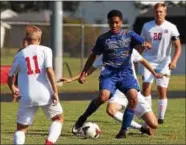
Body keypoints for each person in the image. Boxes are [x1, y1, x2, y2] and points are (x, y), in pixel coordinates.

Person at [72, 9, 158, 139]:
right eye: (111, 23)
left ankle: (123, 132)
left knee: (133, 97)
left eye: (117, 22)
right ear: (108, 23)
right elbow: (93, 56)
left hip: (126, 73)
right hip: (109, 73)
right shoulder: (103, 39)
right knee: (102, 97)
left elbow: (142, 42)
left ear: (121, 22)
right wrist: (84, 73)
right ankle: (83, 117)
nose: (114, 25)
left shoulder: (129, 35)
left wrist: (145, 44)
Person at [58, 49, 159, 136]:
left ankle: (137, 118)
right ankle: (141, 128)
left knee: (154, 124)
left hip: (132, 91)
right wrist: (72, 79)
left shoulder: (130, 50)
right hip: (117, 92)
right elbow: (89, 70)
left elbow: (143, 60)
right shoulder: (105, 55)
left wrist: (154, 73)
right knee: (110, 109)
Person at [8, 25, 64, 145]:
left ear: (26, 39)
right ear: (39, 39)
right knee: (58, 119)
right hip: (46, 93)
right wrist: (55, 92)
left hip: (27, 96)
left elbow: (10, 76)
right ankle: (49, 143)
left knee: (21, 129)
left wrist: (12, 87)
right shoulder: (46, 50)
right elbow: (49, 71)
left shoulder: (19, 55)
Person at [140, 3, 181, 124]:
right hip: (148, 61)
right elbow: (142, 43)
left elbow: (178, 47)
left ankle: (161, 117)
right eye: (157, 11)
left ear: (165, 12)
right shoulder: (147, 26)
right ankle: (148, 117)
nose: (159, 14)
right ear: (154, 12)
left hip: (164, 63)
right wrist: (136, 57)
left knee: (161, 90)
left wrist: (174, 61)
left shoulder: (171, 27)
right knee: (146, 88)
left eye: (161, 11)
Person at [12, 38, 28, 102]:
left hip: (28, 71)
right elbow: (16, 60)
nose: (25, 44)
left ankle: (24, 99)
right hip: (20, 70)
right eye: (23, 43)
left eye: (26, 43)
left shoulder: (31, 51)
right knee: (17, 85)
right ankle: (14, 99)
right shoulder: (20, 51)